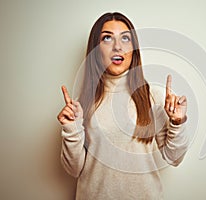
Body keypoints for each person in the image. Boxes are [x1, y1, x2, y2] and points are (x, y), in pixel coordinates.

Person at [57, 12, 189, 200]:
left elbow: (174, 158)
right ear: (96, 48)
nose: (117, 46)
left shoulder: (152, 97)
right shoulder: (82, 104)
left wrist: (177, 122)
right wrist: (71, 128)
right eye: (107, 38)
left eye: (125, 38)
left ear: (133, 49)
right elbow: (73, 169)